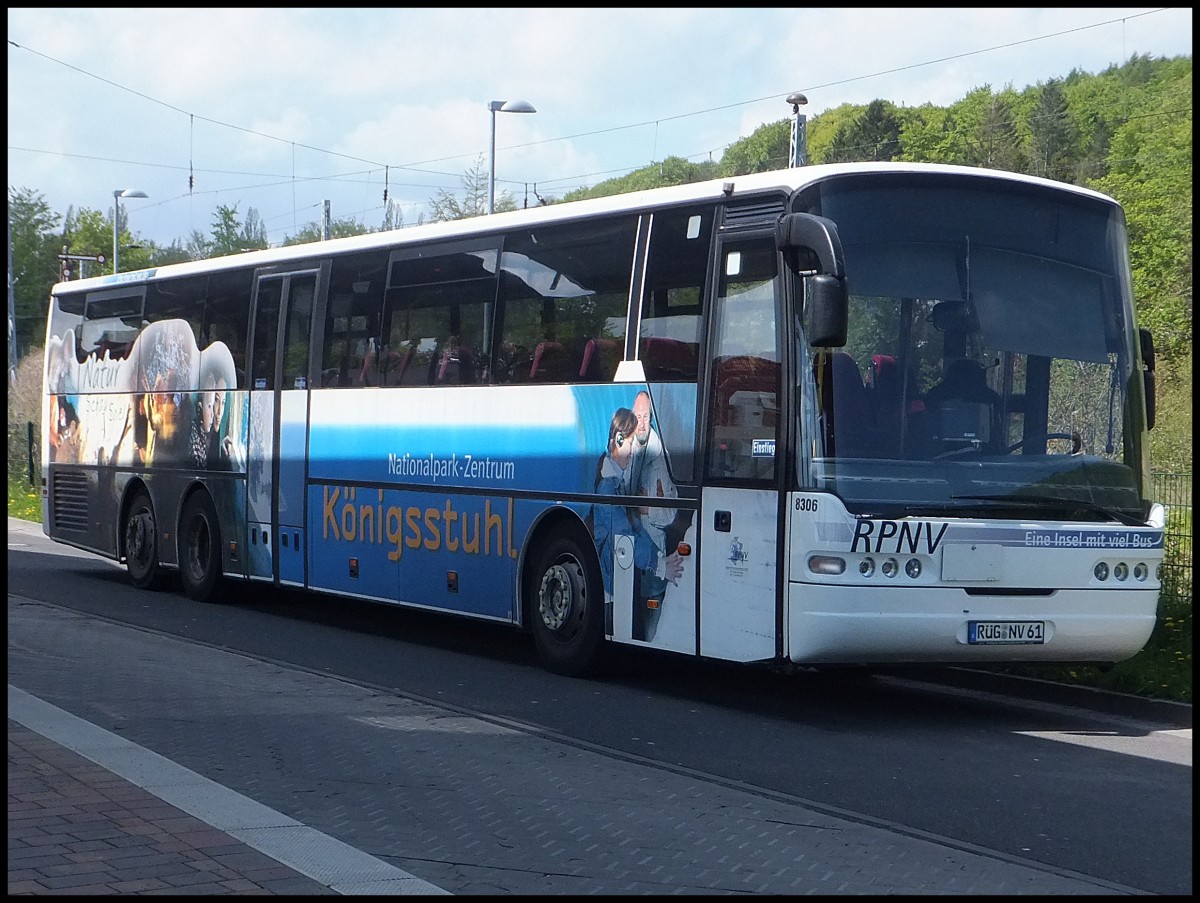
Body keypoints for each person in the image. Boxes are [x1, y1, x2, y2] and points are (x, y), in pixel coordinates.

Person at [628, 390, 690, 641]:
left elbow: (670, 513)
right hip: (630, 553)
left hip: (653, 552)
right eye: (638, 416)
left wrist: (646, 508)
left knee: (650, 623)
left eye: (646, 416)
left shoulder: (661, 457)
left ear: (651, 418)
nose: (641, 422)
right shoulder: (628, 447)